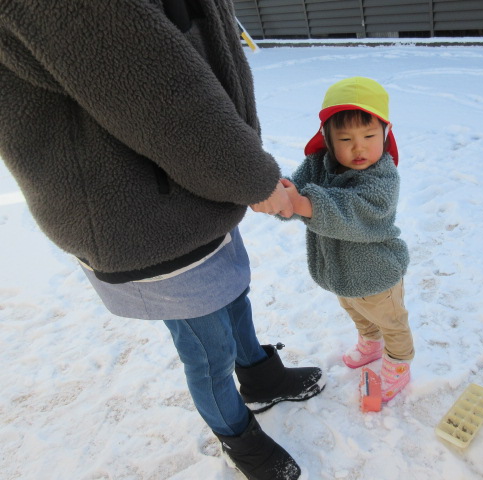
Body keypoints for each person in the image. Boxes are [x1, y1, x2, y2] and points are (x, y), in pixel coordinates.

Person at [0, 1, 324, 479]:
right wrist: (250, 178)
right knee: (208, 350)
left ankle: (259, 376)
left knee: (232, 294)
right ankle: (238, 437)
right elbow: (155, 90)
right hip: (141, 212)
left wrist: (234, 167)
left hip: (193, 186)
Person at [279, 77, 414, 402]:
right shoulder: (319, 164)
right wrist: (283, 197)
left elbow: (354, 211)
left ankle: (399, 364)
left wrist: (303, 204)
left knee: (391, 322)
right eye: (345, 138)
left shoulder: (383, 178)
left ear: (385, 133)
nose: (358, 148)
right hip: (340, 271)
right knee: (356, 310)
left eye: (369, 136)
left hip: (377, 273)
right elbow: (295, 191)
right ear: (328, 139)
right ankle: (370, 343)